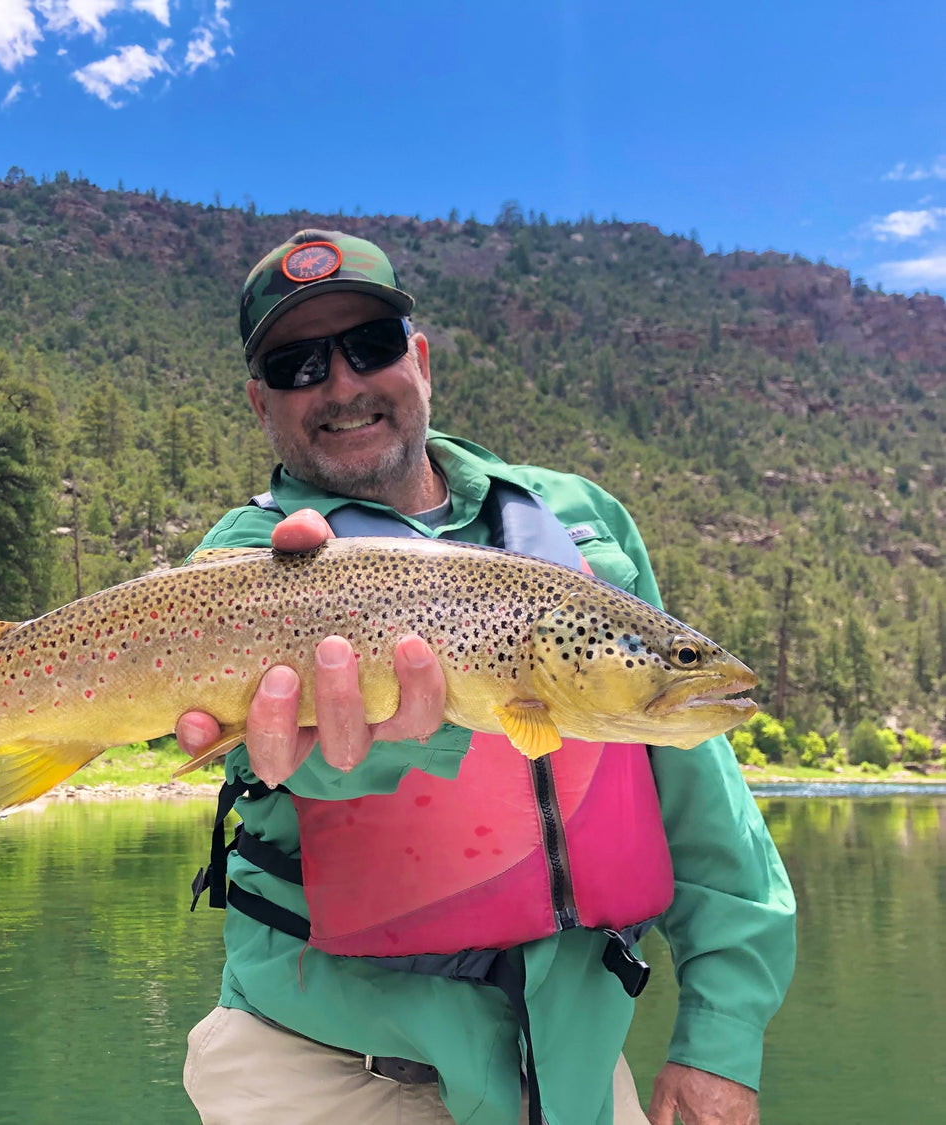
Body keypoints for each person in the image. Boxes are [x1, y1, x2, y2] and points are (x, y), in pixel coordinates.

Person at [175, 230, 795, 1125]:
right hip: (328, 1073)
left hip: (574, 1068)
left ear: (419, 360)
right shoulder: (244, 561)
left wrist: (721, 1035)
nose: (342, 382)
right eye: (298, 362)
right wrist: (359, 744)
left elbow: (703, 803)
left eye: (370, 347)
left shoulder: (582, 526)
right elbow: (281, 766)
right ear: (259, 403)